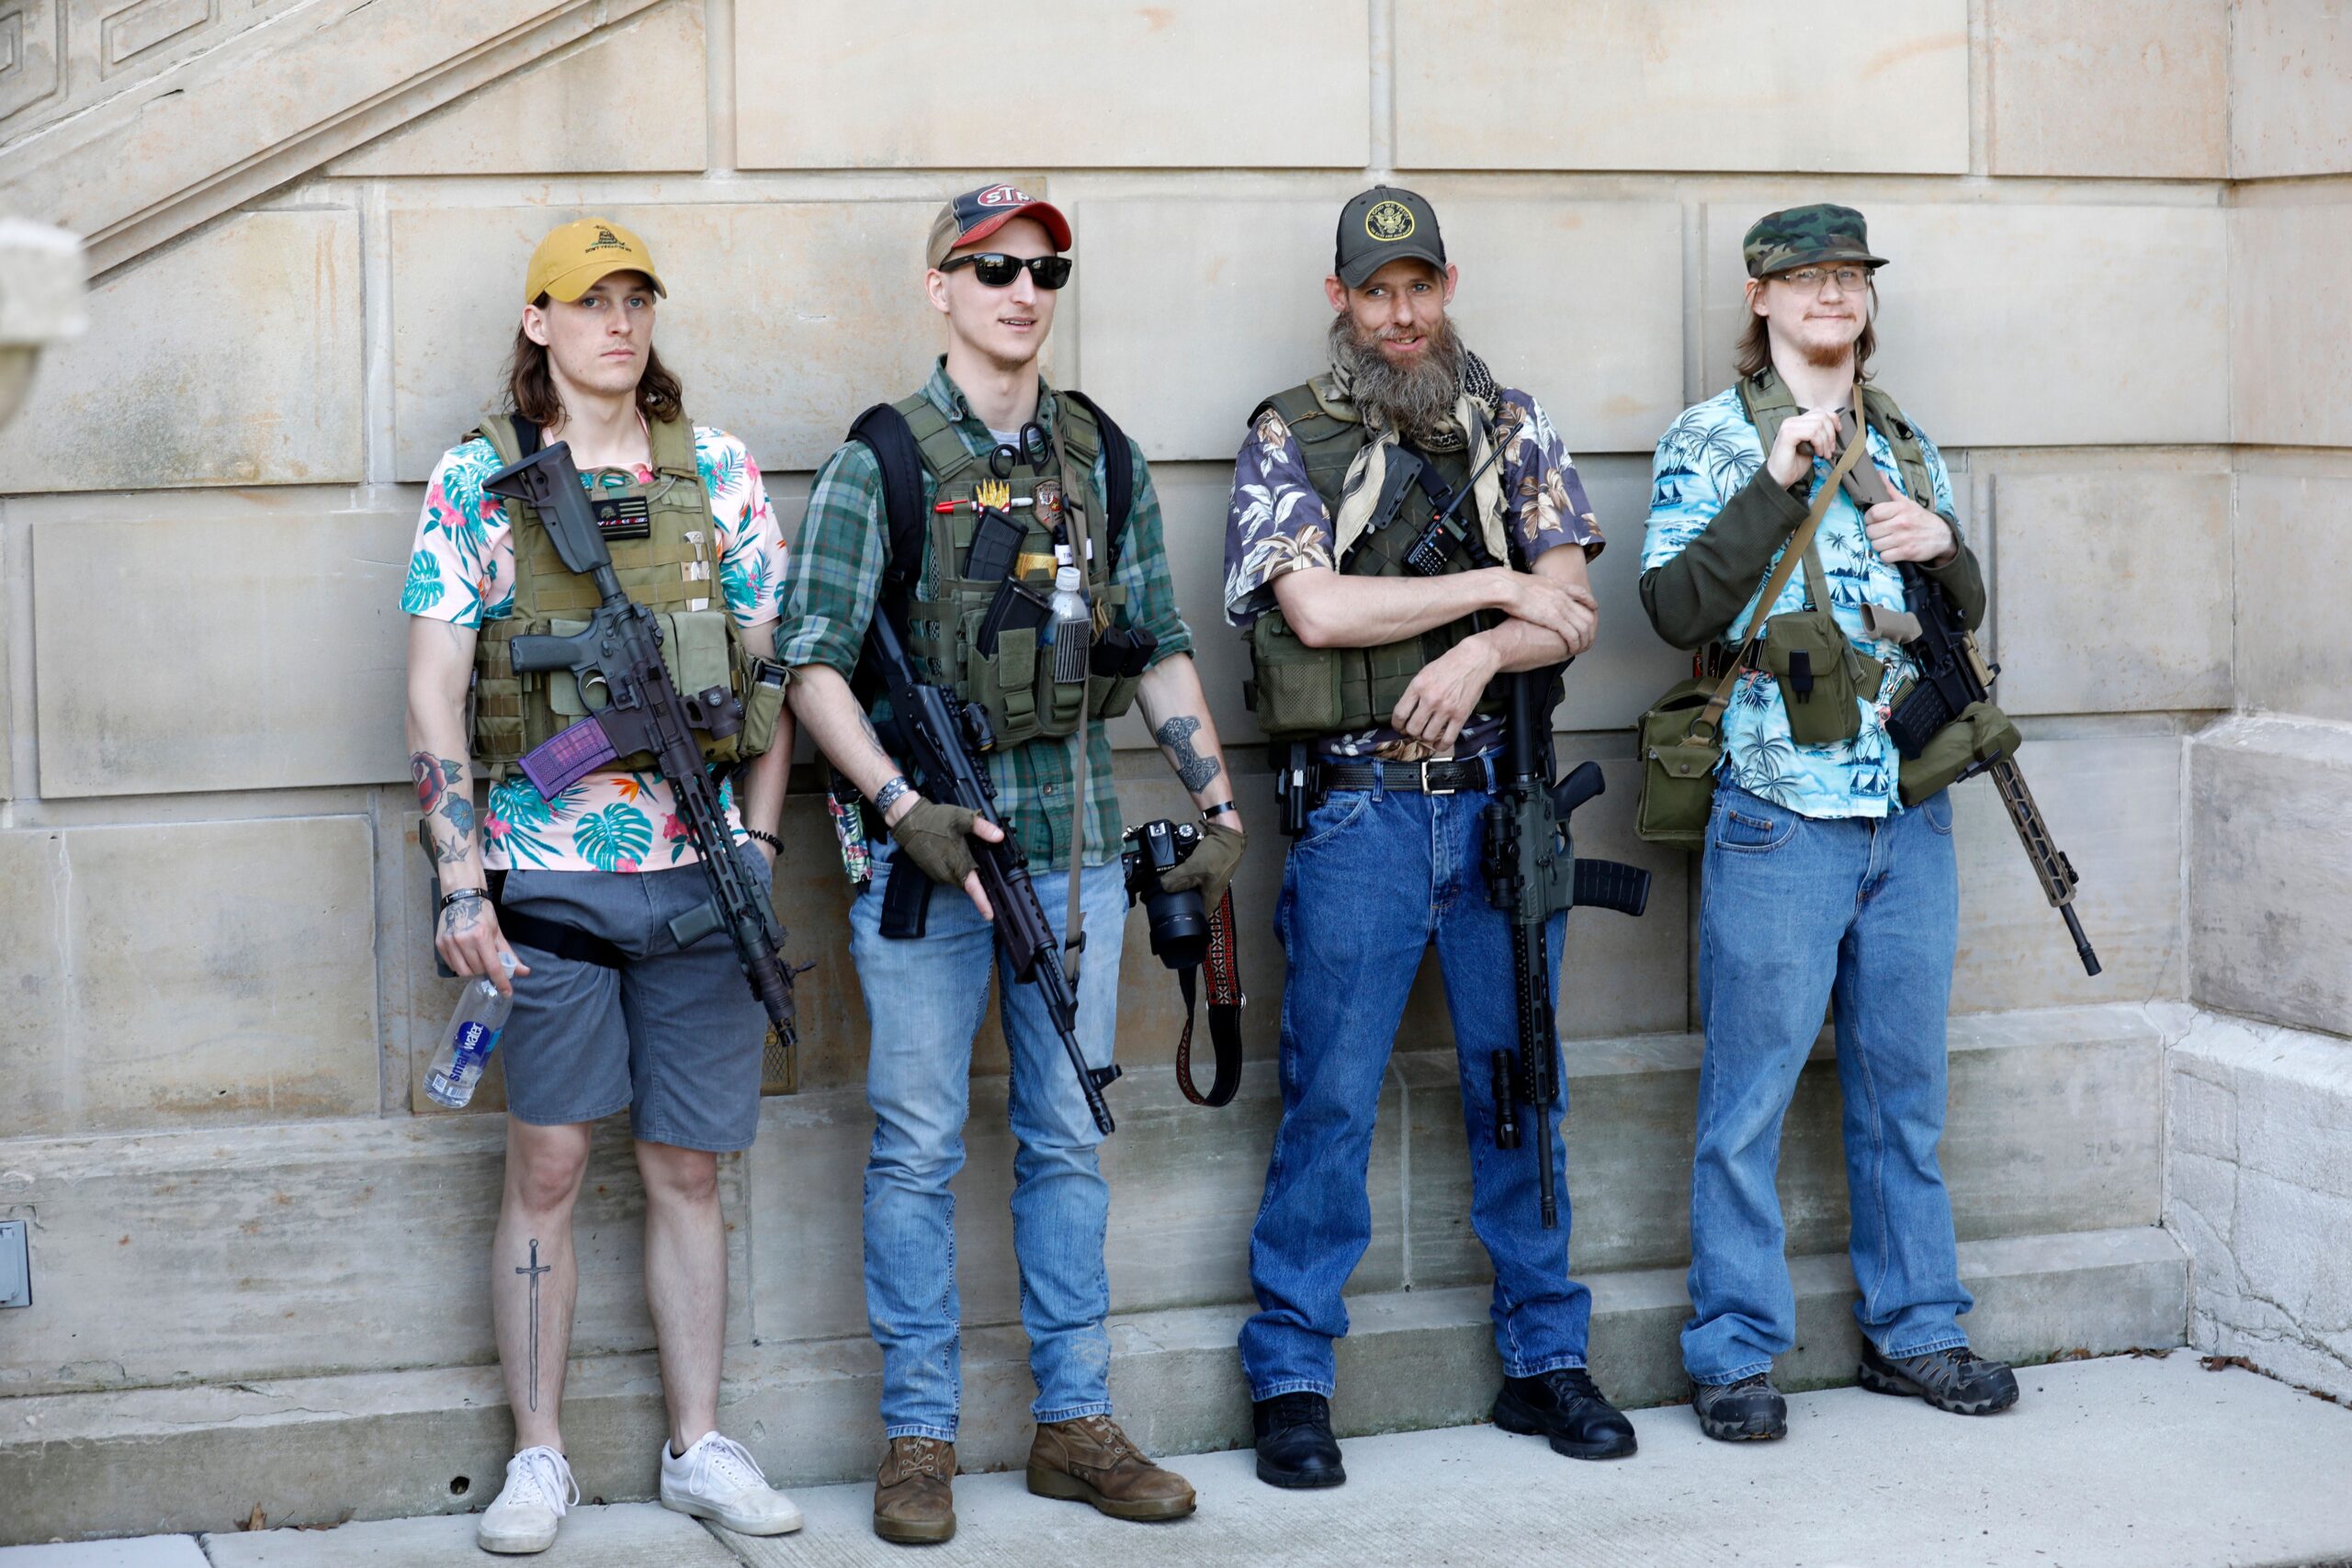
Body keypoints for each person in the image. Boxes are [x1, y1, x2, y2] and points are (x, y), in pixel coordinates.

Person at [778, 184, 1245, 1546]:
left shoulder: (1100, 456)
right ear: (942, 289)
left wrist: (1217, 804)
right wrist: (899, 802)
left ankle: (1074, 1425)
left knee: (1067, 1143)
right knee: (918, 1150)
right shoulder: (884, 460)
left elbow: (1156, 637)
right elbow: (809, 661)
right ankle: (918, 1440)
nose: (1021, 291)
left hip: (1078, 850)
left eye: (1044, 269)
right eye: (990, 269)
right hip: (927, 871)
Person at [401, 217, 803, 1552]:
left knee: (689, 1168)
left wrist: (754, 842)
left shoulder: (720, 472)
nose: (618, 324)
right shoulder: (481, 478)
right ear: (540, 323)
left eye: (636, 301)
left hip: (702, 886)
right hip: (548, 882)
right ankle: (539, 1457)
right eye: (590, 303)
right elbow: (433, 687)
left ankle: (701, 1444)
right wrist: (462, 881)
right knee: (552, 1163)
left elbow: (769, 676)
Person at [1225, 186, 1633, 1490]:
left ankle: (1544, 1359)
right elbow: (1317, 609)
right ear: (1339, 299)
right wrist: (1494, 587)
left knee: (1524, 1086)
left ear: (1448, 285)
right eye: (1375, 289)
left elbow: (1574, 614)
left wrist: (1476, 653)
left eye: (1420, 287)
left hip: (1504, 806)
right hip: (1363, 816)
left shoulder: (1508, 422)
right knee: (1330, 1095)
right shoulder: (1287, 431)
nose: (1401, 313)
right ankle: (1292, 1373)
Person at [1640, 203, 2021, 1443]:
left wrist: (1942, 544)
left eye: (1848, 274)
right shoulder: (1707, 439)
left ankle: (1918, 1330)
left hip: (1906, 814)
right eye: (1804, 277)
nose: (1829, 294)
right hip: (1779, 813)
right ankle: (1737, 1352)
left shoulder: (1905, 437)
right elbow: (1672, 602)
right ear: (1759, 299)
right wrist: (1778, 480)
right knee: (1747, 1103)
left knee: (1903, 1096)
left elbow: (1961, 607)